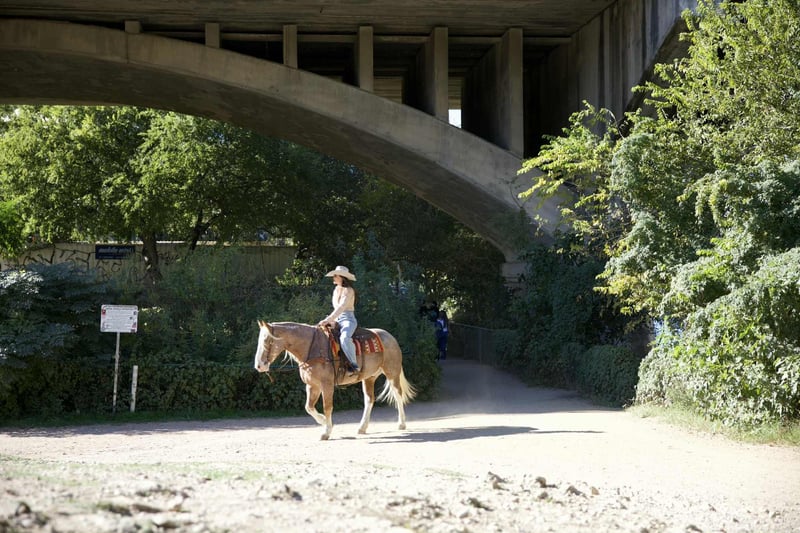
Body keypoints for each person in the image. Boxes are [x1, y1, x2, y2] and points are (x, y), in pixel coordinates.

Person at [318, 265, 359, 373]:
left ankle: (354, 365)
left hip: (348, 319)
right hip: (336, 319)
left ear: (342, 277)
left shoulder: (349, 290)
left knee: (345, 338)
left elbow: (341, 307)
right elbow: (336, 308)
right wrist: (329, 320)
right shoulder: (336, 290)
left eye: (335, 275)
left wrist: (328, 319)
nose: (334, 277)